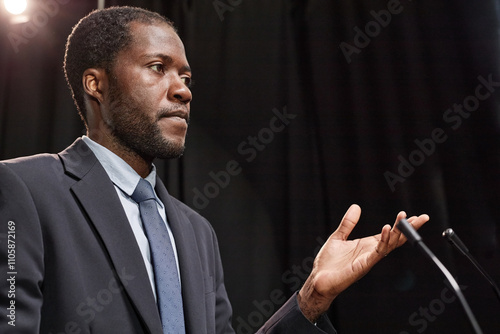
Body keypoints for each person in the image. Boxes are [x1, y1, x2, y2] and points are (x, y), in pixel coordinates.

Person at [0, 6, 429, 334]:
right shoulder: (25, 189)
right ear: (97, 84)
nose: (183, 89)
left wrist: (311, 299)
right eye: (157, 68)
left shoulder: (196, 232)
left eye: (186, 76)